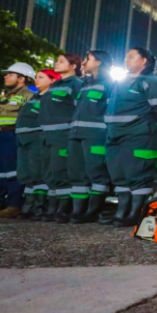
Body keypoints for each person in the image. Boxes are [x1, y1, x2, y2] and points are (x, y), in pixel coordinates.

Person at [105, 47, 157, 227]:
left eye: (131, 56)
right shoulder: (120, 82)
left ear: (144, 61)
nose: (126, 60)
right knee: (119, 175)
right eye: (126, 57)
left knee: (137, 174)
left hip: (139, 133)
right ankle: (121, 212)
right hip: (115, 134)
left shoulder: (152, 82)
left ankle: (135, 213)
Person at [0, 64, 36, 218]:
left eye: (10, 74)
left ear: (21, 79)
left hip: (13, 135)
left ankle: (14, 204)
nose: (6, 76)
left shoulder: (28, 96)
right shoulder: (5, 97)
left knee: (12, 172)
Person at [68, 50, 114, 223]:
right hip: (76, 134)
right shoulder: (84, 83)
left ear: (99, 62)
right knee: (77, 173)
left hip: (96, 135)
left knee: (97, 173)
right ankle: (78, 211)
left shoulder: (109, 83)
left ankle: (93, 211)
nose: (84, 62)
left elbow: (111, 110)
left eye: (88, 59)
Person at [38, 53, 83, 222]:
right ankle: (52, 207)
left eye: (61, 61)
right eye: (57, 60)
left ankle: (63, 209)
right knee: (49, 172)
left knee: (61, 171)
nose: (57, 63)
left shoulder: (77, 84)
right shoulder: (55, 85)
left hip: (63, 134)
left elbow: (79, 109)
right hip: (47, 134)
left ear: (73, 66)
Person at [17, 69, 59, 219]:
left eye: (41, 77)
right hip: (24, 139)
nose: (37, 80)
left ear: (52, 80)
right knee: (28, 173)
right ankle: (29, 205)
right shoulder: (34, 98)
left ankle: (41, 206)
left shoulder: (51, 98)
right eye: (36, 77)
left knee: (39, 172)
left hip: (38, 138)